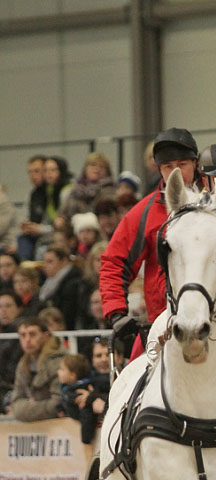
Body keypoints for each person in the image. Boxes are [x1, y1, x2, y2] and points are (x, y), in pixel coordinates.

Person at [100, 127, 199, 344]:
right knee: (127, 377)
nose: (176, 173)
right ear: (159, 169)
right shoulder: (144, 212)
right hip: (164, 324)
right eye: (168, 167)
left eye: (182, 165)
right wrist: (117, 312)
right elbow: (113, 262)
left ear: (195, 163)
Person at [8, 316, 65, 421]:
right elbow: (16, 402)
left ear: (45, 336)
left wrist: (25, 409)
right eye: (23, 335)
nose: (27, 340)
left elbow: (58, 404)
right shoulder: (23, 363)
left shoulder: (59, 361)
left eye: (32, 334)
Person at [39, 244, 87, 330]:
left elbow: (69, 315)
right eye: (44, 261)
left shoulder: (73, 283)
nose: (45, 266)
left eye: (50, 261)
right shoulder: (49, 283)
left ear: (64, 261)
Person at [61, 152, 115, 220]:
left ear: (107, 171)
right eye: (93, 165)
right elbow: (63, 211)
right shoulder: (76, 189)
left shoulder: (110, 190)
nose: (97, 169)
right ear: (85, 169)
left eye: (101, 167)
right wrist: (61, 219)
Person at [17, 155, 47, 260]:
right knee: (20, 240)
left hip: (47, 237)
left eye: (36, 171)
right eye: (30, 172)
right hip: (31, 236)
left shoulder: (54, 193)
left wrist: (40, 229)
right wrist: (25, 226)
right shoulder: (31, 194)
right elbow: (25, 218)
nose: (32, 175)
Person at [0, 289, 23, 412]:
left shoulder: (22, 334)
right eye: (0, 307)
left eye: (8, 306)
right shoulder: (3, 333)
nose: (3, 311)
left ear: (19, 309)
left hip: (11, 387)